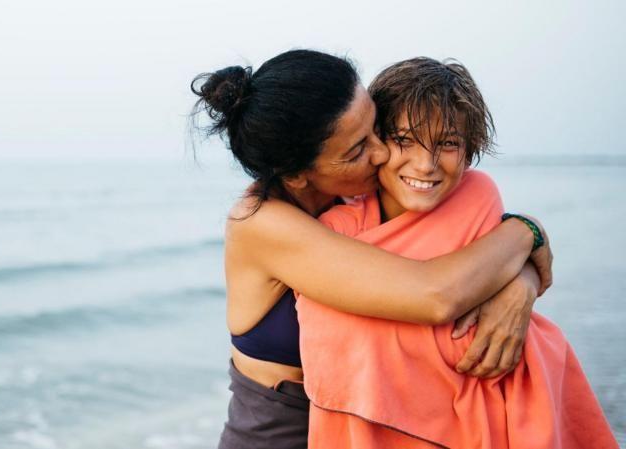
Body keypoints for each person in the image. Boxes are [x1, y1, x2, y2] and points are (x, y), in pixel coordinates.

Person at [190, 49, 553, 449]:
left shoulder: (352, 203)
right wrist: (526, 232)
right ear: (297, 174)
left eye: (376, 129)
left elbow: (463, 252)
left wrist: (523, 281)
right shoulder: (259, 223)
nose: (381, 154)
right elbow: (434, 294)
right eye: (358, 149)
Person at [297, 57, 618, 449]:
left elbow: (500, 259)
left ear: (468, 152)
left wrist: (522, 283)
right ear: (376, 141)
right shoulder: (335, 230)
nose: (426, 165)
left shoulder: (477, 197)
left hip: (505, 412)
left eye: (447, 144)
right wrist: (522, 262)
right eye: (404, 139)